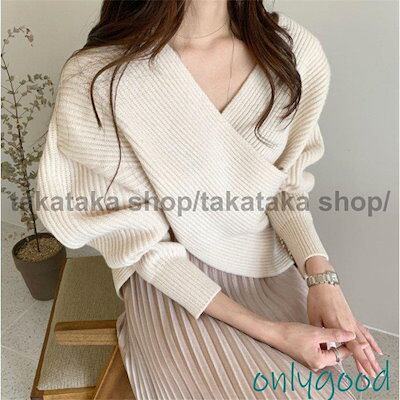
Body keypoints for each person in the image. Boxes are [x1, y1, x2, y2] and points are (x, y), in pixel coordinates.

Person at [36, 1, 382, 398]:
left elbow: (284, 188)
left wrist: (322, 279)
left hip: (262, 258)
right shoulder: (102, 77)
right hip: (169, 276)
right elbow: (141, 243)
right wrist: (275, 334)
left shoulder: (292, 52)